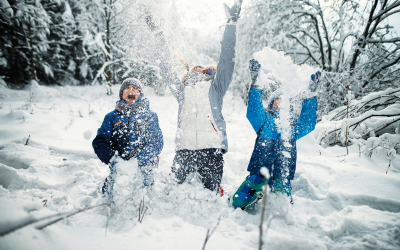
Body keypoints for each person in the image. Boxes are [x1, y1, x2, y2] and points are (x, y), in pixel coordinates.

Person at [145, 0, 243, 193]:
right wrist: (158, 35)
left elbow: (226, 59)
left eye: (202, 67)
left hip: (211, 148)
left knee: (210, 195)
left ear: (209, 72)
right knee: (173, 193)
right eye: (194, 68)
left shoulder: (216, 87)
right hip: (184, 149)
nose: (197, 68)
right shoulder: (182, 91)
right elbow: (166, 67)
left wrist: (231, 24)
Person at [230, 59, 320, 210]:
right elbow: (253, 112)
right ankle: (249, 200)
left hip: (282, 174)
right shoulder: (265, 120)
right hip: (260, 171)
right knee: (238, 202)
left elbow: (308, 123)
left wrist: (310, 96)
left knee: (283, 206)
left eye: (286, 100)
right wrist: (257, 87)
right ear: (272, 103)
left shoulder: (293, 125)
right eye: (278, 99)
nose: (282, 102)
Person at [92, 78, 164, 199]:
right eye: (127, 88)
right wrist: (113, 160)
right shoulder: (112, 117)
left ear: (140, 94)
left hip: (144, 167)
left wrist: (141, 159)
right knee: (115, 197)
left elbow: (157, 141)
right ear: (121, 95)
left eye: (135, 88)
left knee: (144, 199)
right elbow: (100, 142)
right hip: (119, 167)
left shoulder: (150, 116)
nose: (131, 90)